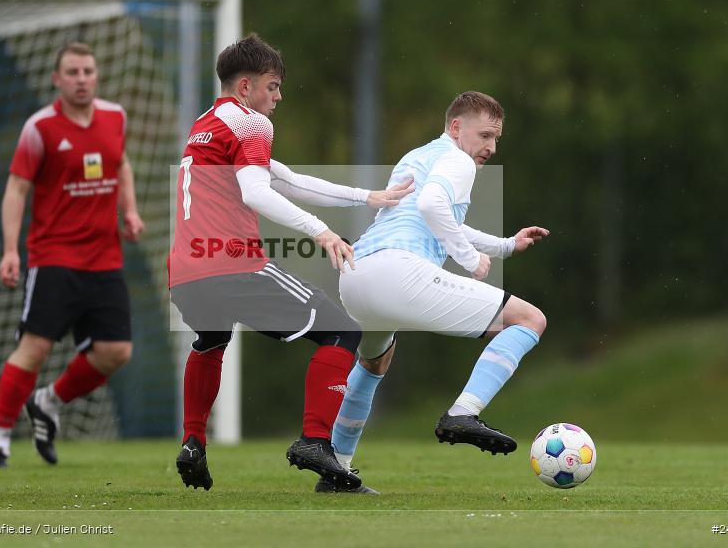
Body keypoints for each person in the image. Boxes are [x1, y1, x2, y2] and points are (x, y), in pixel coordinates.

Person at [168, 33, 412, 492]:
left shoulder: (207, 123)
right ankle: (315, 441)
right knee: (343, 332)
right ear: (246, 87)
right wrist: (320, 231)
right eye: (273, 86)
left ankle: (193, 441)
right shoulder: (251, 123)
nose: (278, 97)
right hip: (231, 263)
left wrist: (366, 196)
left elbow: (288, 180)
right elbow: (257, 192)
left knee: (211, 340)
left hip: (185, 272)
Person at [331, 91, 549, 490]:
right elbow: (432, 207)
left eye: (496, 138)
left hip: (357, 274)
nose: (491, 147)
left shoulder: (418, 156)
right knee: (529, 319)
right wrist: (470, 260)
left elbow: (433, 215)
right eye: (485, 135)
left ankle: (337, 470)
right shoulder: (458, 161)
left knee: (374, 362)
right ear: (456, 127)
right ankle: (463, 412)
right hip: (397, 272)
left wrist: (504, 246)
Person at [0, 42, 144, 468]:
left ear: (97, 75)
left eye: (88, 71)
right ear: (57, 79)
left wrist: (129, 211)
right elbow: (16, 189)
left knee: (116, 351)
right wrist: (10, 250)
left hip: (105, 258)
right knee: (34, 348)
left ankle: (48, 401)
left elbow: (121, 164)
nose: (82, 79)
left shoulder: (115, 117)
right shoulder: (40, 128)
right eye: (72, 72)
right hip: (54, 258)